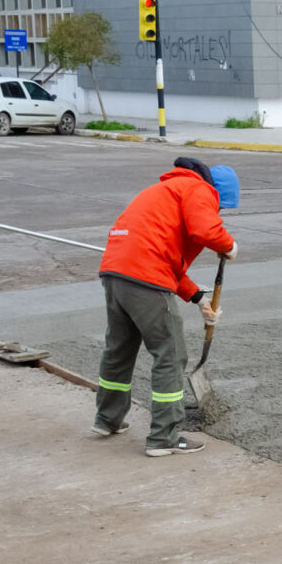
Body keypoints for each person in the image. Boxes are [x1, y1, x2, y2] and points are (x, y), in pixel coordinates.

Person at [95, 157, 236, 458]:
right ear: (217, 194)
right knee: (170, 354)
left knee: (119, 349)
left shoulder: (168, 190)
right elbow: (208, 232)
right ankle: (164, 437)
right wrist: (229, 245)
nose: (218, 212)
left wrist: (198, 298)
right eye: (220, 207)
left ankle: (107, 419)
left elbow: (165, 259)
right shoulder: (199, 189)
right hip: (145, 278)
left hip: (115, 272)